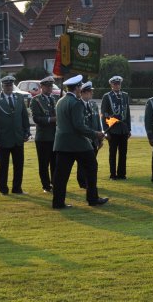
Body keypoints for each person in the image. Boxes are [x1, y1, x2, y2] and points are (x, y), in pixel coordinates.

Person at [52, 75, 107, 209]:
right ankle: (92, 198)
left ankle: (58, 202)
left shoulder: (60, 101)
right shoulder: (76, 103)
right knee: (91, 167)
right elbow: (79, 126)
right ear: (77, 88)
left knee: (61, 176)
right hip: (78, 143)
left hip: (62, 143)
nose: (81, 89)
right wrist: (95, 134)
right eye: (80, 87)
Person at [0, 75, 31, 195]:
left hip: (18, 138)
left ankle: (17, 188)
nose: (9, 87)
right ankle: (3, 189)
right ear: (2, 86)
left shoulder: (19, 97)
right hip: (3, 139)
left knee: (19, 165)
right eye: (6, 85)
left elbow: (24, 116)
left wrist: (27, 131)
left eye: (10, 85)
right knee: (3, 166)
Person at [100, 75, 131, 180]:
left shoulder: (125, 95)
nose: (117, 86)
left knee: (123, 153)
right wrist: (106, 131)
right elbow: (104, 114)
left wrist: (129, 129)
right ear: (111, 85)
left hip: (123, 129)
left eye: (118, 84)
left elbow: (127, 113)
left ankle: (122, 174)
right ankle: (113, 174)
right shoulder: (107, 96)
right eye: (115, 84)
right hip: (112, 129)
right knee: (113, 153)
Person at [30, 76, 57, 193]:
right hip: (43, 137)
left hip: (54, 136)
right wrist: (51, 119)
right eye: (47, 86)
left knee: (55, 163)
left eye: (51, 86)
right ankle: (46, 185)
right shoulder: (36, 100)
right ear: (42, 87)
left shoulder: (54, 99)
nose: (49, 88)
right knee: (44, 164)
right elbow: (36, 118)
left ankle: (55, 183)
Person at [76, 81, 104, 189]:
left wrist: (100, 138)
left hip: (94, 139)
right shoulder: (78, 105)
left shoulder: (93, 104)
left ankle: (90, 182)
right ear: (83, 93)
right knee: (82, 163)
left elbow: (97, 121)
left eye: (91, 91)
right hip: (84, 139)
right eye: (89, 91)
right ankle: (83, 182)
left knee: (92, 162)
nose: (91, 93)